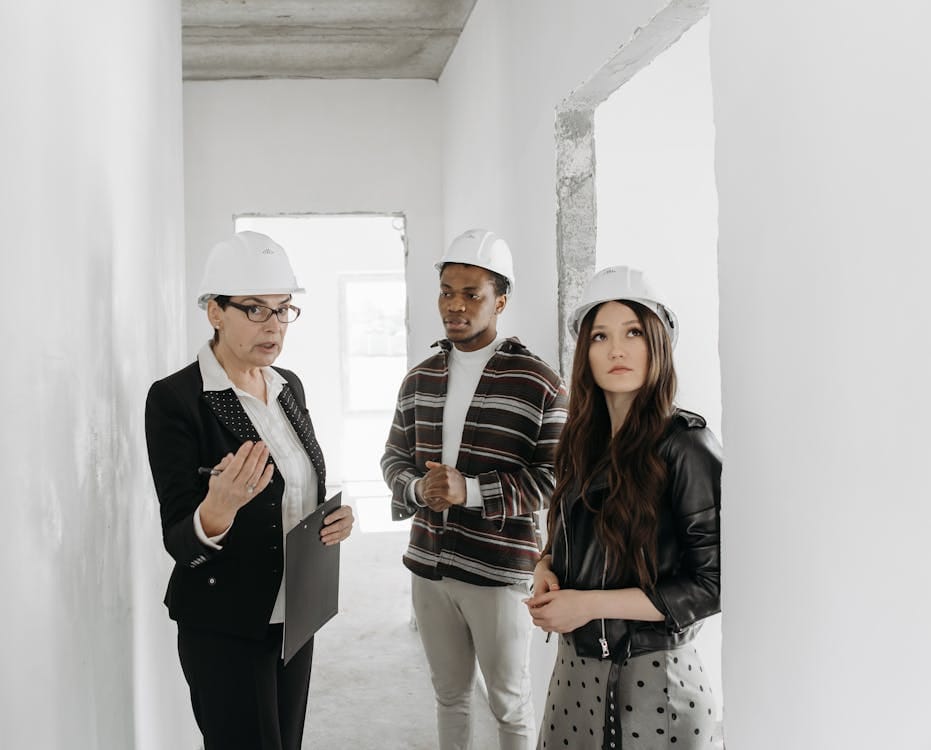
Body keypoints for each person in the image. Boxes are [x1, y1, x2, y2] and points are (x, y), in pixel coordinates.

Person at [144, 230, 355, 750]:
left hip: (295, 614)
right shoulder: (178, 400)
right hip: (226, 623)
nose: (274, 326)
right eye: (255, 310)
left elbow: (298, 487)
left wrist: (331, 520)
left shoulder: (288, 386)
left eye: (283, 310)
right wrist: (216, 510)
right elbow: (179, 541)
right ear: (214, 311)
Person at [381, 229, 569, 750]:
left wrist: (471, 491)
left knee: (509, 704)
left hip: (500, 571)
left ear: (500, 300)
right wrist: (420, 489)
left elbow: (554, 480)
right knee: (449, 697)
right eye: (446, 291)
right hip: (429, 566)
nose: (455, 306)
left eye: (472, 294)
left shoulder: (539, 383)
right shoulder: (419, 379)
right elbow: (393, 458)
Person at [525, 266, 722, 750]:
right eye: (600, 336)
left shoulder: (687, 445)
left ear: (658, 342)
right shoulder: (580, 441)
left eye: (633, 332)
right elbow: (574, 534)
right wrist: (547, 566)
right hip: (574, 676)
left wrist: (588, 605)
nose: (617, 349)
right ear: (584, 353)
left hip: (656, 681)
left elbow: (713, 584)